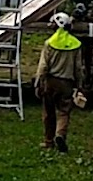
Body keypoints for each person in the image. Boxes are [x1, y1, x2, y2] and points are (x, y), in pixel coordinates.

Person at [34, 11, 88, 153]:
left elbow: (43, 66)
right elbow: (78, 68)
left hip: (50, 82)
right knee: (64, 112)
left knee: (48, 112)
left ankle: (48, 141)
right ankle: (60, 134)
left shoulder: (49, 43)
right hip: (67, 84)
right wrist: (80, 86)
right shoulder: (76, 44)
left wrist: (39, 82)